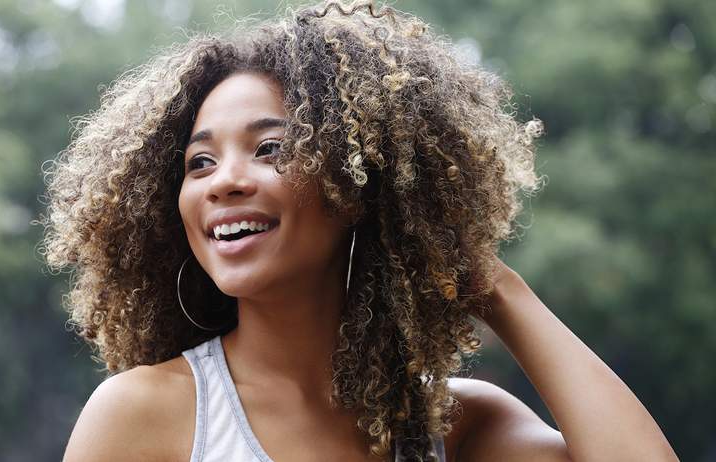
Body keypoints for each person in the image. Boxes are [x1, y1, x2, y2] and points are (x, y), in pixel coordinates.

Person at [42, 1, 678, 460]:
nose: (223, 181)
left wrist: (500, 292)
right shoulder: (145, 415)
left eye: (269, 149)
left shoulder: (450, 426)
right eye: (199, 162)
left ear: (357, 186)